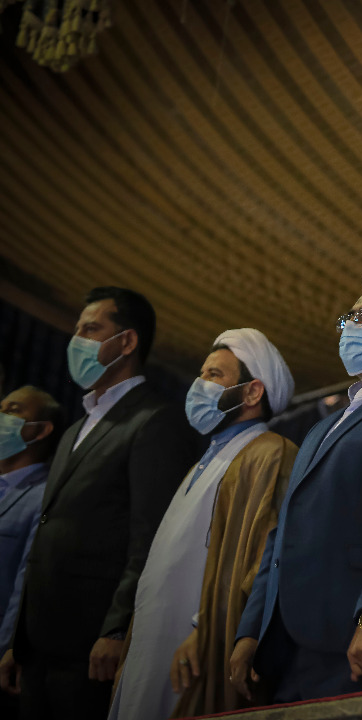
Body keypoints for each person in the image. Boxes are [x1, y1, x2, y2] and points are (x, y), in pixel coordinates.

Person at [229, 274, 362, 703]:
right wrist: (251, 630)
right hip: (285, 641)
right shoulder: (323, 426)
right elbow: (282, 532)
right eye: (349, 317)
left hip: (352, 635)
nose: (350, 325)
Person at [12, 287, 200, 720]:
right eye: (77, 329)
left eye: (91, 329)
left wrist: (117, 628)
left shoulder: (154, 420)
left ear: (127, 341)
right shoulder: (74, 430)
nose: (76, 340)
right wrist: (17, 641)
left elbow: (149, 537)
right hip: (37, 646)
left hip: (91, 646)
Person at [107, 329, 298, 720]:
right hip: (153, 642)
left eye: (214, 375)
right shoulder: (204, 461)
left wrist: (206, 631)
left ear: (252, 392)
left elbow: (261, 559)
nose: (200, 385)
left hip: (199, 646)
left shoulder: (267, 453)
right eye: (201, 374)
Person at [0, 387, 63, 714]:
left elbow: (26, 582)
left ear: (41, 430)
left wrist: (7, 648)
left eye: (13, 410)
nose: (2, 416)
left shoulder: (45, 497)